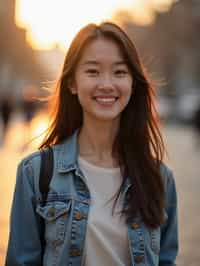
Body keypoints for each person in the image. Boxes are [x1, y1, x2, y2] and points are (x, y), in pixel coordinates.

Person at [6, 22, 178, 266]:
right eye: (93, 71)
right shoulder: (35, 173)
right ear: (72, 83)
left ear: (133, 83)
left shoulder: (160, 178)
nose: (107, 84)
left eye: (119, 72)